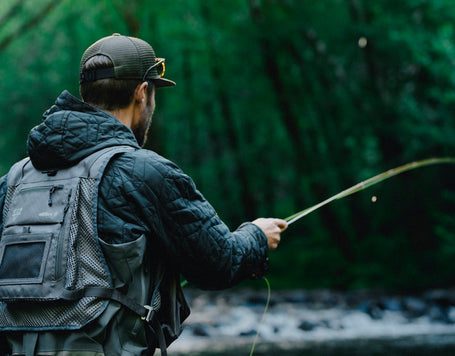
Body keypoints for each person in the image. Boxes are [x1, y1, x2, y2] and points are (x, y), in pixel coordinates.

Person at [0, 33, 288, 355]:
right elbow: (218, 263)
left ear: (86, 93)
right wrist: (257, 236)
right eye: (152, 95)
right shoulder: (144, 172)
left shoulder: (13, 181)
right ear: (141, 93)